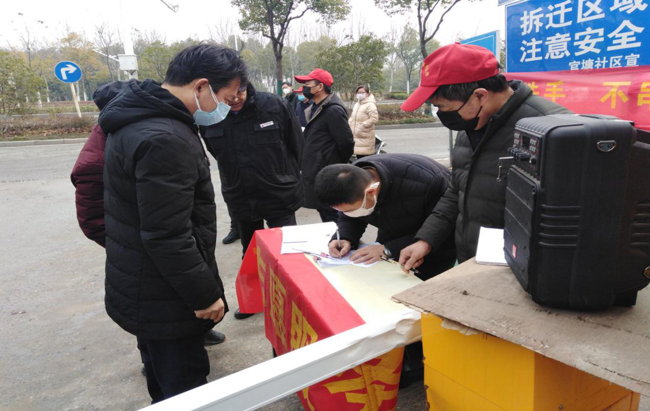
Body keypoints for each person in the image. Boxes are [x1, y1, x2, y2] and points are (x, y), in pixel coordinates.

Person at [98, 44, 246, 403]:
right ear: (201, 86)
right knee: (184, 389)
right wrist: (204, 295)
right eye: (226, 98)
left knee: (162, 380)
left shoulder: (137, 117)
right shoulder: (165, 137)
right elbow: (167, 235)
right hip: (166, 293)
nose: (226, 106)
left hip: (145, 283)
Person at [70, 83, 228, 350]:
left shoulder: (131, 130)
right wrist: (128, 243)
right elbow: (163, 234)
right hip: (151, 269)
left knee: (160, 338)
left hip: (157, 268)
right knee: (172, 358)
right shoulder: (157, 138)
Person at [398, 42, 571, 272]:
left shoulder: (549, 130)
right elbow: (456, 191)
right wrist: (426, 240)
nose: (442, 116)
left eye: (444, 108)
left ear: (480, 95)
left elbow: (565, 218)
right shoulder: (469, 127)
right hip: (472, 260)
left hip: (521, 270)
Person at [201, 81, 304, 319]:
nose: (235, 98)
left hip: (278, 192)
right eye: (229, 95)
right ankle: (255, 300)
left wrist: (287, 176)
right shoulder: (211, 115)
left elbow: (296, 144)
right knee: (250, 251)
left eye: (240, 91)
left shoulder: (274, 105)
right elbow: (215, 151)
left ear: (247, 85)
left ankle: (293, 297)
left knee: (288, 249)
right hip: (241, 194)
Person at [314, 154, 456, 281]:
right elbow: (351, 216)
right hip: (388, 240)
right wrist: (346, 236)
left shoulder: (429, 181)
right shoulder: (353, 181)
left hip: (433, 249)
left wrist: (389, 249)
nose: (347, 214)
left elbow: (444, 226)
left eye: (351, 210)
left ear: (371, 192)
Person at [295, 68, 354, 222]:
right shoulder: (315, 107)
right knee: (323, 209)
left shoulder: (333, 110)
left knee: (332, 213)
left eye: (308, 84)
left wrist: (332, 161)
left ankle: (340, 236)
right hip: (315, 169)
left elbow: (346, 142)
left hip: (327, 171)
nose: (304, 88)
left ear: (320, 86)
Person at [348, 85, 379, 159]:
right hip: (356, 136)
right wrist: (349, 123)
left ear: (367, 94)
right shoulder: (357, 104)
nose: (360, 94)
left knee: (365, 158)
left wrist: (362, 126)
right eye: (358, 92)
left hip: (365, 136)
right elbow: (352, 116)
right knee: (358, 157)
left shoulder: (370, 105)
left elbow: (374, 118)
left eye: (362, 92)